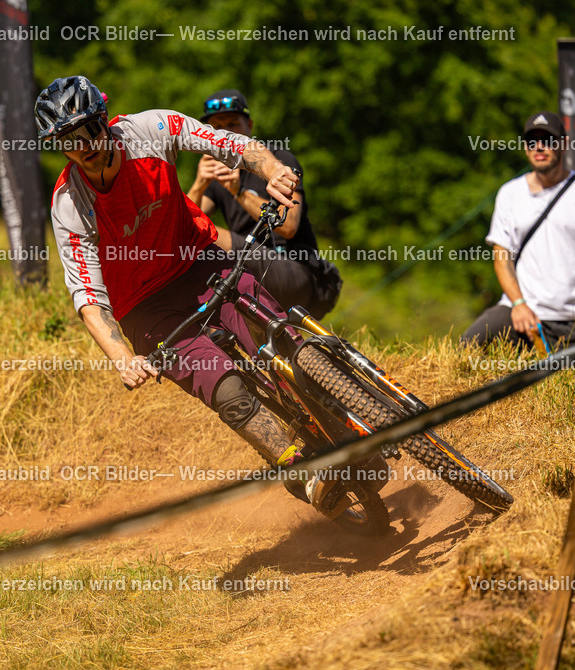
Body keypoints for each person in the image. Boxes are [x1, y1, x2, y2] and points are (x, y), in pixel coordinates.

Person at [35, 75, 344, 515]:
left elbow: (226, 144)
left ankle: (340, 411)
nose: (79, 146)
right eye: (65, 140)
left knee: (278, 337)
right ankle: (304, 474)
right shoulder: (70, 202)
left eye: (84, 130)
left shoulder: (150, 129)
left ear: (103, 119)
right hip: (145, 309)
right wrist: (122, 358)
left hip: (197, 260)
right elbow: (86, 294)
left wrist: (274, 171)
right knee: (229, 390)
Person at [461, 110, 575, 351]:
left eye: (548, 140)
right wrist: (519, 303)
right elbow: (502, 257)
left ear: (564, 144)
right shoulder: (510, 194)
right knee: (468, 346)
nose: (539, 147)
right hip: (523, 314)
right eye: (532, 141)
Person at [185, 89, 342, 319]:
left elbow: (288, 227)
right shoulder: (215, 175)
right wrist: (199, 184)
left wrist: (238, 192)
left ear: (249, 125)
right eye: (217, 128)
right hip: (246, 270)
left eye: (233, 124)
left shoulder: (279, 160)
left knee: (208, 234)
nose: (226, 133)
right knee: (189, 238)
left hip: (296, 271)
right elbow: (182, 225)